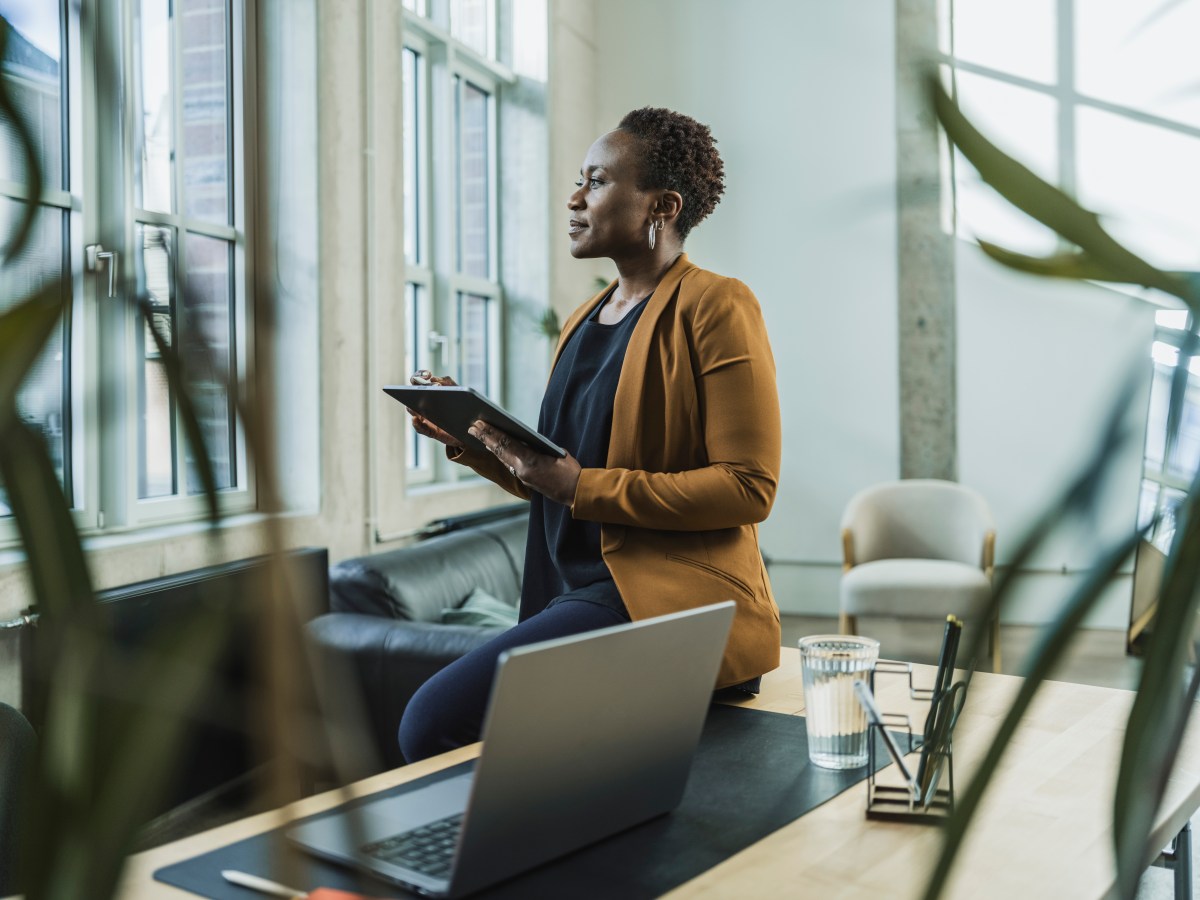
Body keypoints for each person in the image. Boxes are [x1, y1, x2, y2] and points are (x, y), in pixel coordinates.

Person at [399, 107, 781, 763]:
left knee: (430, 721)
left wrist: (579, 484)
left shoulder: (717, 305)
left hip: (660, 601)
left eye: (597, 182)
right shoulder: (582, 319)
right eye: (580, 180)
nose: (575, 198)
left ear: (661, 206)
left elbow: (748, 488)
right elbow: (560, 480)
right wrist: (474, 440)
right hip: (570, 589)